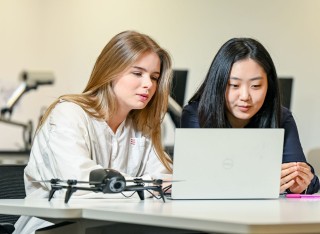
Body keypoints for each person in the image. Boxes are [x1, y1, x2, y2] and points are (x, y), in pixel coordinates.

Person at [14, 30, 176, 234]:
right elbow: (78, 187)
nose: (148, 85)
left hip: (115, 226)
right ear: (110, 71)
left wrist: (153, 186)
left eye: (154, 77)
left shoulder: (143, 126)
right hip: (56, 228)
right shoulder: (68, 114)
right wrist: (148, 185)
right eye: (137, 73)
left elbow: (167, 182)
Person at [180, 37, 319, 195]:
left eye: (256, 86)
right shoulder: (196, 115)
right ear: (218, 84)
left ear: (269, 85)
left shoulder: (282, 117)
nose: (245, 96)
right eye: (234, 85)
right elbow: (194, 178)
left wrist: (302, 183)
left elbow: (305, 178)